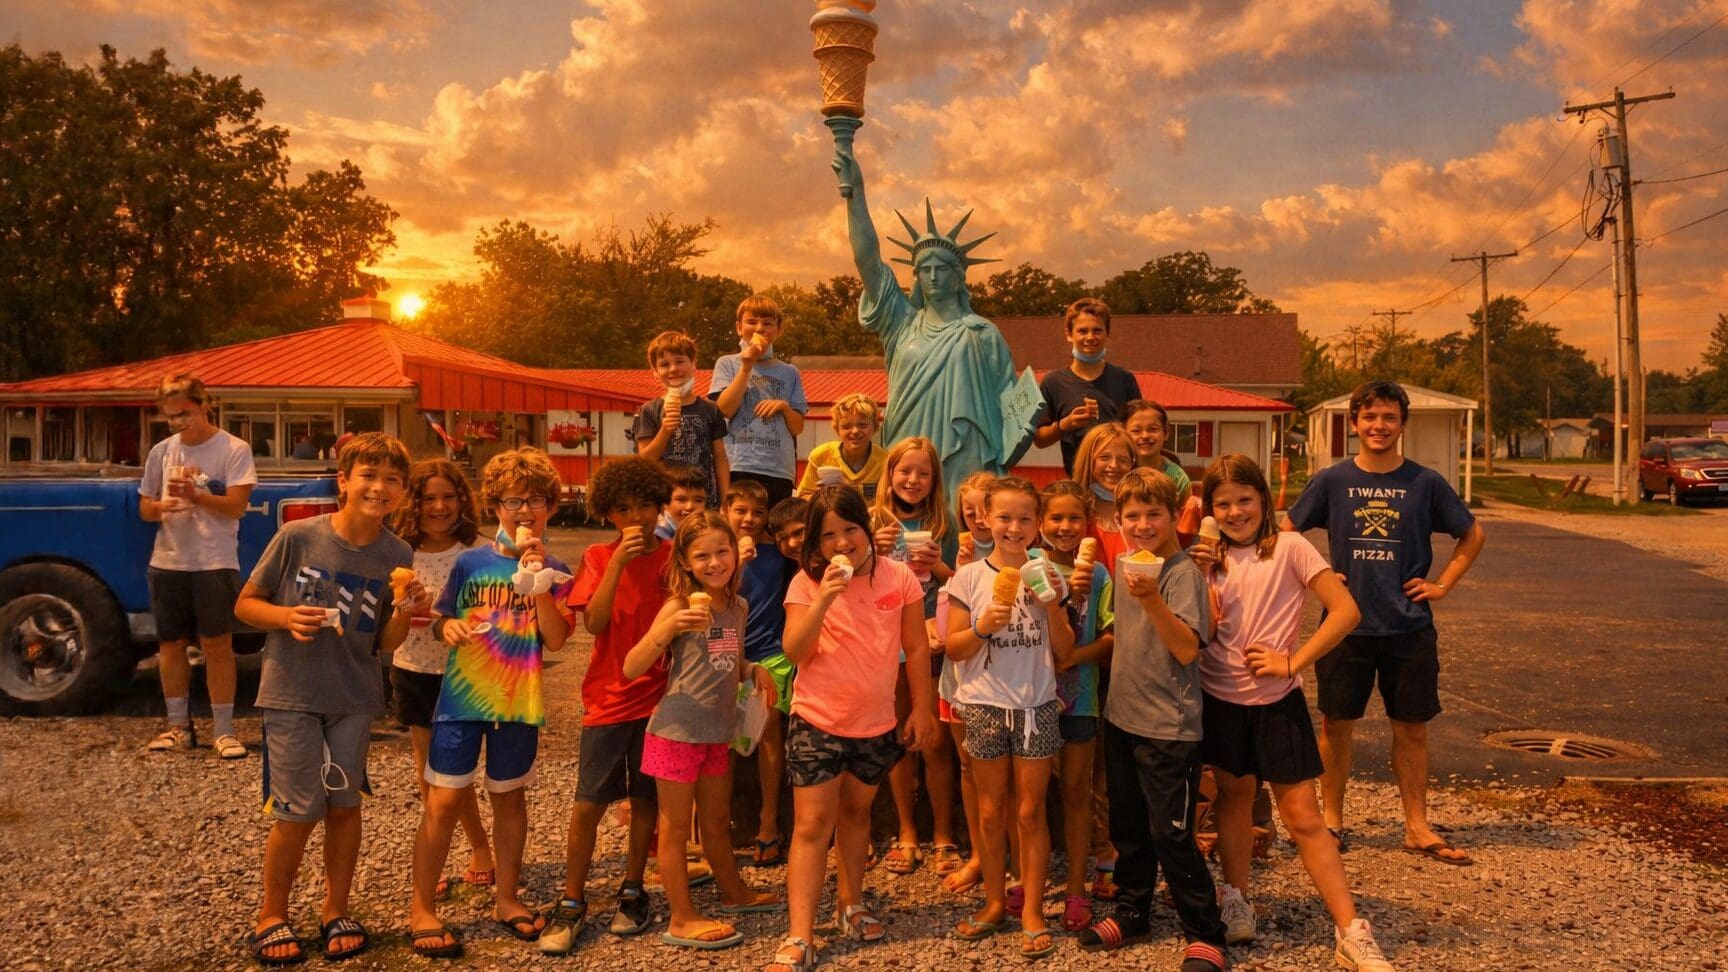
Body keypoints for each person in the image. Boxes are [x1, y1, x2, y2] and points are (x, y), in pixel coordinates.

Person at [1191, 455, 1395, 971]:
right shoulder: (1203, 558)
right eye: (1223, 503)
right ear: (1208, 510)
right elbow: (1198, 629)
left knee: (1303, 814)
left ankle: (1350, 929)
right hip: (1220, 699)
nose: (1235, 511)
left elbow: (1347, 611)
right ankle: (1237, 900)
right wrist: (1195, 575)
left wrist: (1293, 661)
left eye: (1245, 499)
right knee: (1235, 800)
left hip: (1276, 702)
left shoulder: (1290, 547)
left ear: (1264, 499)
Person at [1287, 380, 1486, 867]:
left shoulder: (1426, 482)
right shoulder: (1331, 481)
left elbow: (1472, 533)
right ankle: (1331, 821)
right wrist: (1317, 575)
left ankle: (1417, 826)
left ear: (1403, 424)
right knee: (1336, 726)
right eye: (1369, 417)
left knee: (1412, 728)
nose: (1379, 426)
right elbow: (1286, 532)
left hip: (1408, 627)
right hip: (1345, 627)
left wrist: (1442, 585)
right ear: (1354, 423)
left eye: (1389, 418)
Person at [236, 432, 416, 966]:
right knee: (297, 810)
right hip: (291, 692)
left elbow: (385, 642)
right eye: (368, 475)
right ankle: (271, 913)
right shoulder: (298, 537)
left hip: (355, 697)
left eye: (391, 480)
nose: (379, 487)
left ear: (402, 492)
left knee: (344, 806)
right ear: (344, 481)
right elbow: (246, 604)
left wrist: (407, 608)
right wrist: (286, 616)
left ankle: (335, 906)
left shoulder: (397, 553)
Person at [407, 448, 574, 958]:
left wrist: (540, 578)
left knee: (510, 800)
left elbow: (558, 638)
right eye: (514, 500)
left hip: (518, 704)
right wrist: (446, 625)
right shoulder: (470, 562)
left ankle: (506, 897)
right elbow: (439, 618)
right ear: (495, 504)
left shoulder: (558, 567)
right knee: (443, 800)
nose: (526, 510)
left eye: (538, 501)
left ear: (552, 506)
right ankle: (421, 908)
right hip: (462, 701)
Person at [764, 486, 938, 972]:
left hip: (876, 723)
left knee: (858, 816)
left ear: (867, 528)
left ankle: (850, 903)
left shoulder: (899, 576)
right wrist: (823, 597)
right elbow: (797, 651)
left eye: (850, 530)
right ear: (814, 546)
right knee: (812, 825)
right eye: (827, 536)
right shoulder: (805, 583)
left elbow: (917, 648)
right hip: (817, 719)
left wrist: (921, 709)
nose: (841, 543)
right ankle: (800, 933)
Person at [1074, 467, 1227, 972]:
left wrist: (1152, 598)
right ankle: (1132, 909)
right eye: (1132, 515)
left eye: (1154, 514)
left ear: (1173, 518)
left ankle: (1206, 932)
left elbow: (1186, 647)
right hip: (1123, 716)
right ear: (1117, 521)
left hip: (1169, 725)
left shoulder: (1183, 573)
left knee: (1172, 833)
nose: (1143, 525)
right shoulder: (1122, 562)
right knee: (1129, 825)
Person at [831, 140, 1031, 494]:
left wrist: (1019, 437)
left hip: (967, 451)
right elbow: (868, 260)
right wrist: (855, 195)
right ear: (917, 276)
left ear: (959, 276)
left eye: (943, 268)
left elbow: (1013, 402)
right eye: (925, 269)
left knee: (962, 523)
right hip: (906, 446)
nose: (934, 276)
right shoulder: (901, 322)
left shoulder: (982, 333)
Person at [623, 511, 783, 950]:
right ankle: (681, 916)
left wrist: (755, 670)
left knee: (716, 820)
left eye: (722, 551)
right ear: (686, 563)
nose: (715, 562)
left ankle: (734, 894)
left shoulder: (737, 606)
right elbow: (632, 666)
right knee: (674, 829)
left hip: (718, 733)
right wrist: (664, 631)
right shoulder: (677, 606)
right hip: (675, 733)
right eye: (703, 556)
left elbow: (729, 660)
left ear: (735, 551)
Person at [541, 457, 674, 955]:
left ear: (660, 506)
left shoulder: (675, 554)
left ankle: (634, 888)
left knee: (645, 799)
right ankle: (572, 899)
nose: (635, 516)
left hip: (661, 699)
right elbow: (594, 624)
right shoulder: (598, 555)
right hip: (607, 697)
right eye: (623, 509)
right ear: (606, 513)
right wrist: (619, 561)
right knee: (588, 803)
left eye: (644, 505)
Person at [943, 476, 1070, 960]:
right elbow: (954, 649)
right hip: (984, 703)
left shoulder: (1048, 573)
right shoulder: (969, 578)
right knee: (992, 810)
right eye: (1003, 518)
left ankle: (1033, 908)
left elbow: (1062, 652)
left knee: (1030, 811)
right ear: (984, 521)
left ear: (1037, 525)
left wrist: (1052, 607)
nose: (1013, 527)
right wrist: (981, 627)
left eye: (1023, 519)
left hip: (1035, 703)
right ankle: (996, 901)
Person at [387, 459, 495, 901]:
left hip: (465, 671)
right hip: (414, 668)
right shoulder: (395, 552)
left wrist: (444, 612)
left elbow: (493, 612)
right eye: (428, 498)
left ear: (462, 500)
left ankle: (481, 849)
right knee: (428, 772)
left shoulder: (478, 551)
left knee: (459, 770)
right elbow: (384, 615)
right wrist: (404, 606)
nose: (439, 506)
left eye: (448, 496)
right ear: (413, 503)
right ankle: (439, 858)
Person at [139, 372, 257, 759]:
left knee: (217, 645)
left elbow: (237, 506)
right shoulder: (162, 452)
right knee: (170, 645)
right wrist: (161, 507)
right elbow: (145, 507)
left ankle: (223, 730)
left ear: (204, 404)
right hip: (168, 559)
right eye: (170, 416)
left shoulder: (233, 449)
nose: (178, 422)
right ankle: (178, 727)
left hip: (214, 560)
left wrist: (198, 495)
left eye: (185, 413)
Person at [869, 437, 960, 878]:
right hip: (889, 644)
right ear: (889, 474)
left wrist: (940, 568)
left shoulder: (945, 524)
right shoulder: (871, 524)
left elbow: (967, 585)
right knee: (902, 739)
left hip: (935, 640)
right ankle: (906, 832)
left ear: (934, 480)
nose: (913, 480)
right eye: (905, 471)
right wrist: (873, 552)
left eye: (923, 473)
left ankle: (944, 834)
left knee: (937, 742)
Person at [1035, 480, 1113, 934]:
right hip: (1033, 697)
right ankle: (1031, 878)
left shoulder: (1100, 575)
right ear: (1041, 525)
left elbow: (1109, 637)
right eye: (1056, 519)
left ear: (1087, 524)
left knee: (1077, 793)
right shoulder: (1031, 567)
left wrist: (1073, 658)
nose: (1065, 527)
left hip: (1081, 698)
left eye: (1074, 519)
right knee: (1030, 798)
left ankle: (1076, 887)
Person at [729, 487, 805, 866]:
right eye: (740, 510)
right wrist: (736, 561)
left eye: (757, 512)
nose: (748, 519)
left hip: (771, 654)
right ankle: (707, 826)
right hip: (725, 654)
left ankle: (768, 822)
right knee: (719, 738)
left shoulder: (777, 554)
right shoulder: (716, 551)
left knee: (769, 730)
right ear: (725, 509)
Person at [937, 469, 997, 897]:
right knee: (968, 767)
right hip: (958, 678)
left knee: (1002, 776)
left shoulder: (1021, 553)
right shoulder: (958, 554)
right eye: (968, 510)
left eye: (984, 509)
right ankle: (980, 853)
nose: (977, 518)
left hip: (1003, 682)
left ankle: (1003, 854)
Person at [709, 295, 808, 508]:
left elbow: (798, 426)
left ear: (778, 330)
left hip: (779, 470)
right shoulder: (727, 364)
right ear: (738, 327)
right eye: (752, 322)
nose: (759, 328)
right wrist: (746, 366)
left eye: (768, 323)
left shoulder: (789, 372)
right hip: (739, 465)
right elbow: (723, 410)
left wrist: (783, 407)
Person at [1034, 298, 1144, 474]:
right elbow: (1039, 440)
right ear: (1069, 334)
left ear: (1108, 333)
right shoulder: (1053, 382)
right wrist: (1064, 425)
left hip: (1120, 479)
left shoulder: (1124, 379)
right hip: (1078, 481)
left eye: (1097, 330)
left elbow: (1139, 430)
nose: (1090, 337)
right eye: (1082, 331)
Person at [634, 331, 729, 508]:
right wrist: (665, 430)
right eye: (664, 364)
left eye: (680, 361)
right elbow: (644, 461)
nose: (673, 369)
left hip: (704, 502)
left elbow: (720, 458)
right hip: (664, 503)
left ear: (693, 364)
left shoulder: (710, 410)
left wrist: (725, 501)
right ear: (655, 371)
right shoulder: (649, 410)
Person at [1073, 422, 1137, 579]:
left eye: (1123, 459)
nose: (1114, 466)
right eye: (1104, 457)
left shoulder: (1144, 513)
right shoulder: (1072, 511)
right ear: (1089, 460)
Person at [795, 392, 886, 500]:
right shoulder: (821, 456)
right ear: (837, 429)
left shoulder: (884, 461)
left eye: (863, 425)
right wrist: (827, 497)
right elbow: (803, 496)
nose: (855, 431)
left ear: (875, 426)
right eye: (846, 426)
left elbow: (890, 502)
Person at [1122, 399, 1192, 501]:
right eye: (1136, 431)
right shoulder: (1119, 471)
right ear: (1123, 434)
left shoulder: (1178, 479)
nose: (1145, 436)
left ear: (1167, 432)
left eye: (1152, 429)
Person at [657, 464, 710, 540]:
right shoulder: (659, 536)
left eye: (698, 500)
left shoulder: (706, 531)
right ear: (665, 502)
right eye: (681, 500)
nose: (690, 506)